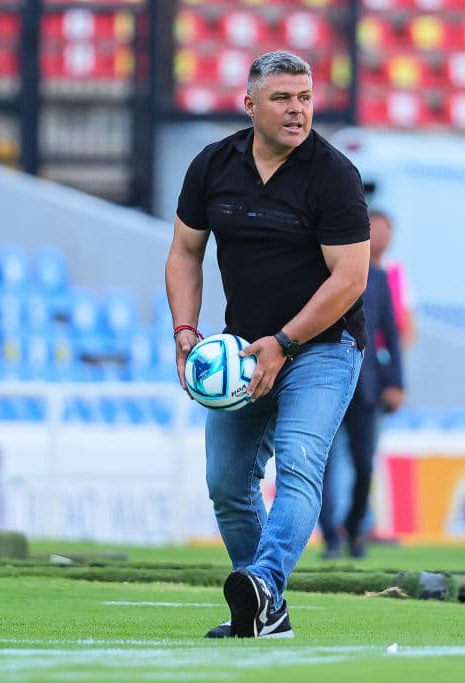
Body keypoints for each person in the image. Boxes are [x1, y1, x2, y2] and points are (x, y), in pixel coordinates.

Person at [164, 51, 370, 639]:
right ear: (250, 103)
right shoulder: (211, 165)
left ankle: (263, 582)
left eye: (305, 98)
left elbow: (350, 279)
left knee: (299, 464)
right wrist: (185, 329)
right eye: (283, 98)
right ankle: (264, 609)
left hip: (324, 347)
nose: (297, 110)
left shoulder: (334, 175)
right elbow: (184, 251)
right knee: (227, 483)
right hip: (241, 349)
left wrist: (283, 342)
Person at [318, 214, 404, 559]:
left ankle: (354, 529)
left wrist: (396, 382)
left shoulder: (381, 279)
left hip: (367, 388)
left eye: (386, 228)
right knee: (321, 464)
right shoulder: (325, 270)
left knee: (364, 463)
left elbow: (391, 336)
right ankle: (330, 537)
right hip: (326, 382)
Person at [370, 210, 418, 350]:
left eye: (385, 229)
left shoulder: (397, 271)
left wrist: (394, 355)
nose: (380, 234)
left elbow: (408, 320)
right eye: (375, 228)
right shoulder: (353, 270)